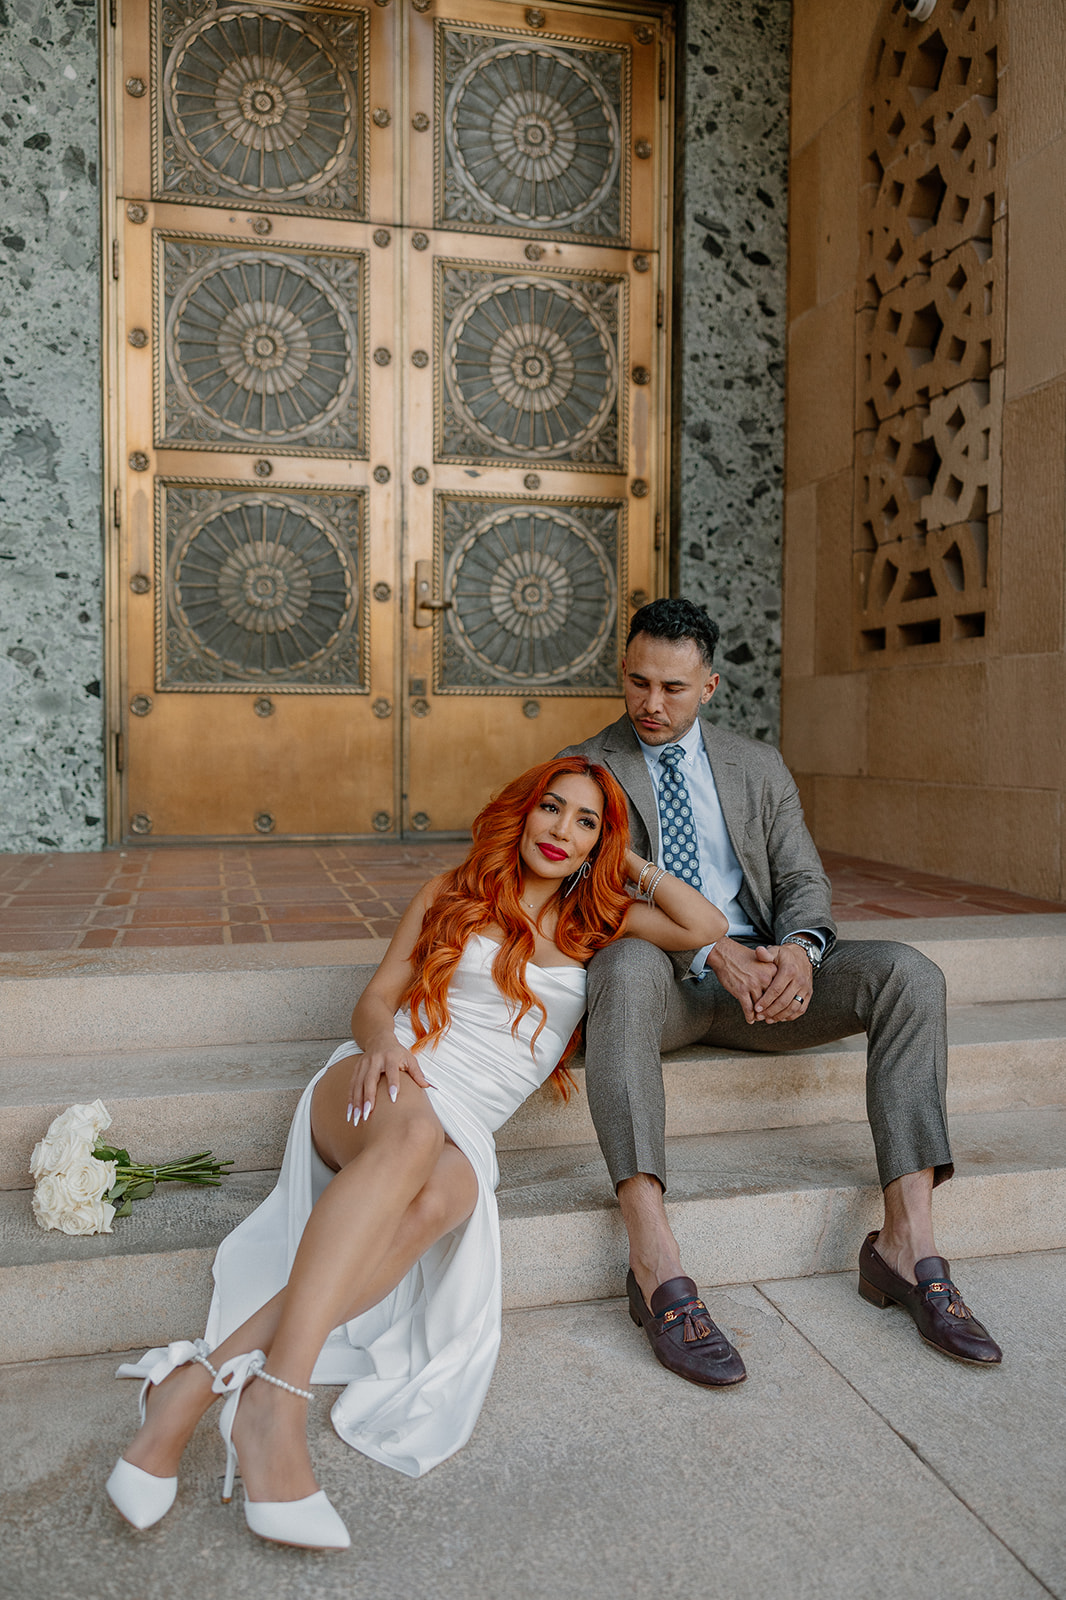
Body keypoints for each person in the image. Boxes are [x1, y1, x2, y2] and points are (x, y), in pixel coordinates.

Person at [105, 756, 727, 1550]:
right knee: (414, 1135)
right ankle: (273, 1407)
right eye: (553, 809)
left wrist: (621, 859)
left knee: (446, 1196)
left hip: (466, 1120)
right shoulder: (453, 893)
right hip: (383, 1081)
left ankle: (193, 1385)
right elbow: (376, 998)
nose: (562, 831)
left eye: (585, 822)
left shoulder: (594, 920)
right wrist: (376, 1048)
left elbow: (704, 927)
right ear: (521, 811)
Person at [560, 598, 1002, 1388]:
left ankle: (907, 1243)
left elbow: (802, 880)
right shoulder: (588, 769)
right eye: (637, 682)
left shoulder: (756, 765)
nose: (651, 705)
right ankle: (653, 1257)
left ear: (712, 687)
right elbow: (587, 904)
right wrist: (711, 950)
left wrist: (798, 953)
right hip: (667, 987)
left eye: (673, 687)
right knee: (620, 965)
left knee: (910, 973)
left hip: (768, 986)